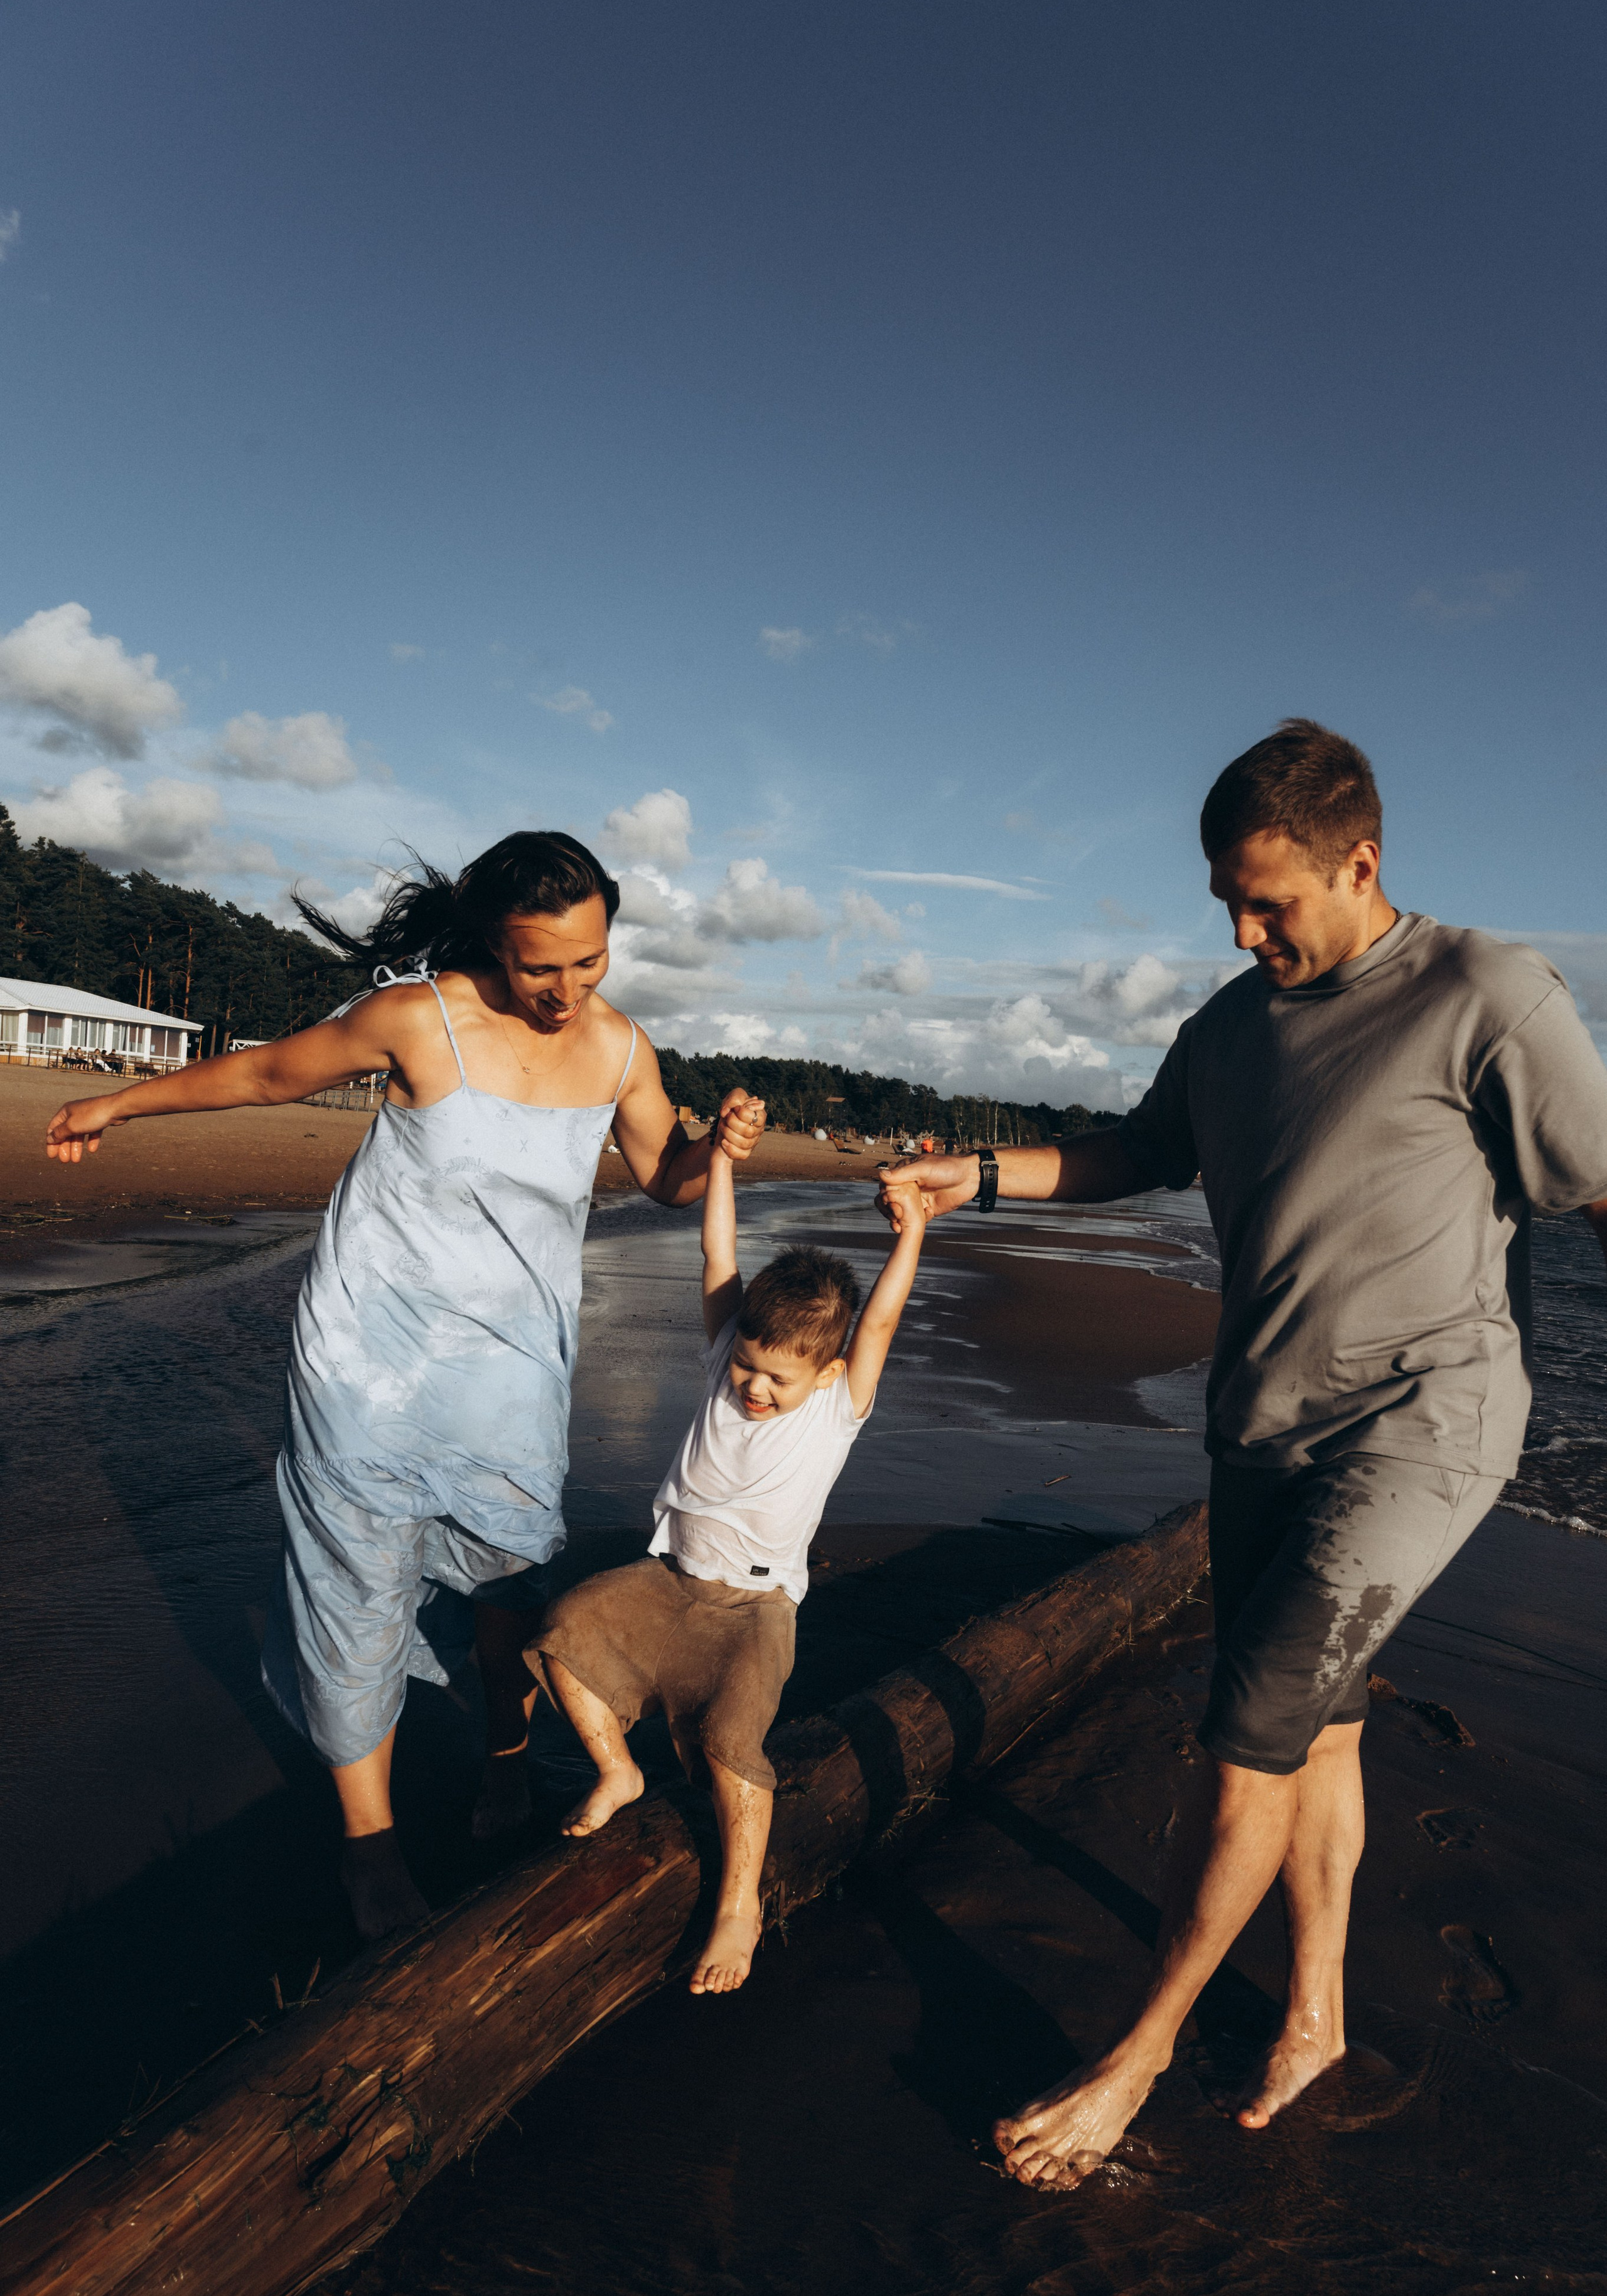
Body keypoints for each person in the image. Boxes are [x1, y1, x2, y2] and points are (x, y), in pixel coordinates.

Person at [879, 719, 1607, 2186]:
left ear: (1361, 861)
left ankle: (1133, 2052)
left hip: (1426, 1416)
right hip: (1261, 1426)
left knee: (1245, 1732)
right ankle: (1314, 2017)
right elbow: (1137, 1155)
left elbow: (1594, 1193)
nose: (1240, 926)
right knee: (1319, 1725)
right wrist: (973, 1175)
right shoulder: (1226, 1024)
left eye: (1268, 899)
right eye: (1225, 897)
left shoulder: (1485, 992)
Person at [46, 830, 764, 1938]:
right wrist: (118, 1104)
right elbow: (264, 1070)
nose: (567, 990)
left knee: (514, 1590)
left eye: (590, 962)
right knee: (354, 1593)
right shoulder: (419, 1018)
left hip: (514, 1373)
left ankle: (506, 1759)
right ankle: (369, 1851)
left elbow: (664, 1175)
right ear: (491, 943)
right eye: (540, 967)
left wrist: (716, 1147)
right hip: (365, 1364)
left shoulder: (623, 1051)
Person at [530, 1093, 929, 1993]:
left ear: (823, 1375)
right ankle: (618, 1773)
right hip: (665, 1579)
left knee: (731, 1744)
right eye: (747, 1365)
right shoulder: (728, 1352)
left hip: (756, 1606)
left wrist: (913, 1234)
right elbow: (719, 1254)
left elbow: (880, 1323)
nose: (752, 1387)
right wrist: (721, 1161)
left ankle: (738, 1906)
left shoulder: (837, 1403)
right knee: (561, 1635)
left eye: (776, 1379)